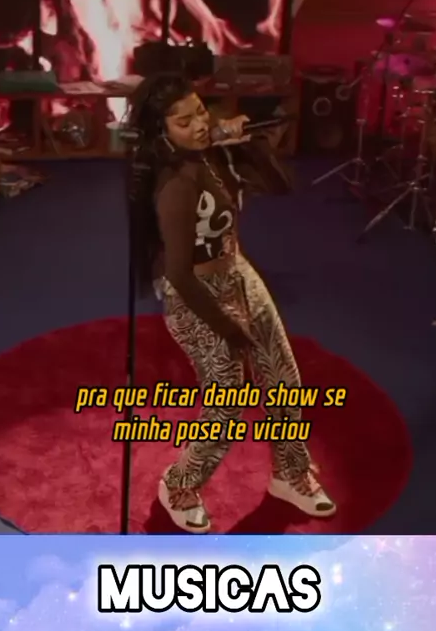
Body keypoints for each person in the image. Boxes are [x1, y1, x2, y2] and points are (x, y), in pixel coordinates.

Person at [129, 73, 336, 533]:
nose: (199, 124)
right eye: (184, 122)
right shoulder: (176, 183)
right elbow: (180, 274)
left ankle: (290, 473)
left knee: (283, 377)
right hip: (196, 295)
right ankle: (179, 484)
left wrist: (249, 144)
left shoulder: (213, 153)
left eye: (201, 111)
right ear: (162, 131)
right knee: (227, 406)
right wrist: (227, 327)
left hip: (238, 272)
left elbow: (281, 186)